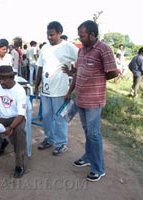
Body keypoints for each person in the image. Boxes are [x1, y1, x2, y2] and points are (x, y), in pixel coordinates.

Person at [65, 20, 119, 182]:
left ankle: (98, 168)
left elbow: (113, 72)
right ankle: (88, 156)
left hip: (94, 100)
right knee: (87, 131)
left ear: (92, 34)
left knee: (94, 133)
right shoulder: (82, 51)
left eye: (82, 36)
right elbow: (78, 72)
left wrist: (97, 78)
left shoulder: (104, 49)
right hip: (80, 99)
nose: (80, 38)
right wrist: (71, 91)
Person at [34, 21, 78, 156]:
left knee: (59, 117)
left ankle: (61, 144)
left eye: (52, 35)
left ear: (60, 33)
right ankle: (49, 138)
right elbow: (40, 67)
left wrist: (72, 72)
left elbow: (82, 60)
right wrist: (37, 86)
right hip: (46, 90)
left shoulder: (69, 47)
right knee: (46, 117)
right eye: (48, 34)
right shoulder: (45, 48)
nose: (49, 37)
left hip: (61, 90)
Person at [0, 65, 26, 178]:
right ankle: (1, 144)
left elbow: (21, 114)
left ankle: (19, 165)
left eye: (4, 79)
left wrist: (10, 128)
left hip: (16, 118)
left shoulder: (19, 90)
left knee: (19, 134)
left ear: (12, 78)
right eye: (0, 78)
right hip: (2, 117)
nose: (1, 81)